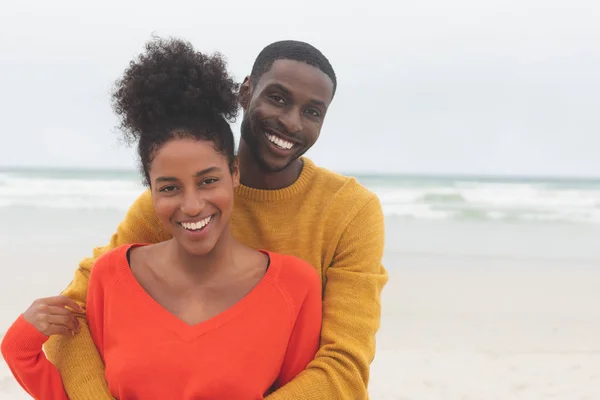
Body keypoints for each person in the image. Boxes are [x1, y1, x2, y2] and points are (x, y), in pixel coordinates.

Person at [41, 39, 388, 399]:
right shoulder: (179, 204)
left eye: (313, 112)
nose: (291, 122)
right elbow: (70, 315)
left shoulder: (351, 211)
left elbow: (344, 367)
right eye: (278, 99)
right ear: (246, 92)